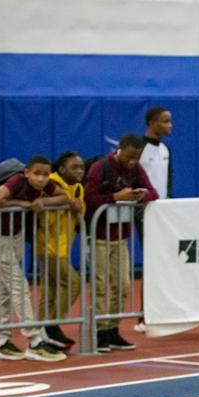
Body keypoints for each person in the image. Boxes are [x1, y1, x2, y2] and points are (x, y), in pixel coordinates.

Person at [0, 155, 69, 362]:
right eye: (37, 174)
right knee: (18, 285)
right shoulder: (15, 181)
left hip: (15, 234)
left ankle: (3, 341)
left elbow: (64, 198)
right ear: (26, 172)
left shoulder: (45, 184)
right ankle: (34, 340)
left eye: (45, 175)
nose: (41, 179)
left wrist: (42, 200)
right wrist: (21, 203)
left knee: (5, 288)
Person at [85, 133, 159, 352]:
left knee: (123, 285)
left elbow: (152, 192)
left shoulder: (136, 169)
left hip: (121, 237)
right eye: (129, 156)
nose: (132, 161)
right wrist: (116, 197)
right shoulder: (100, 167)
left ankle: (112, 330)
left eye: (136, 157)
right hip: (98, 236)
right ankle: (99, 333)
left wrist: (138, 196)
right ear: (120, 148)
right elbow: (88, 199)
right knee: (99, 286)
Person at [37, 151, 86, 348]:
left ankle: (40, 333)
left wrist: (76, 205)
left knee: (49, 291)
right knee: (74, 283)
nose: (80, 171)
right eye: (74, 167)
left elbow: (81, 211)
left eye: (81, 167)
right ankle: (51, 325)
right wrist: (66, 201)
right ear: (62, 168)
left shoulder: (78, 188)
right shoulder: (51, 183)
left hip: (65, 245)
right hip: (48, 246)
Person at [134, 106, 173, 333]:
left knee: (162, 263)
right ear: (152, 122)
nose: (170, 126)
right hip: (144, 212)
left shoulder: (166, 149)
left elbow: (168, 183)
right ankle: (143, 315)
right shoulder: (139, 148)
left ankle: (156, 311)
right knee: (152, 262)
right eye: (165, 121)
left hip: (163, 214)